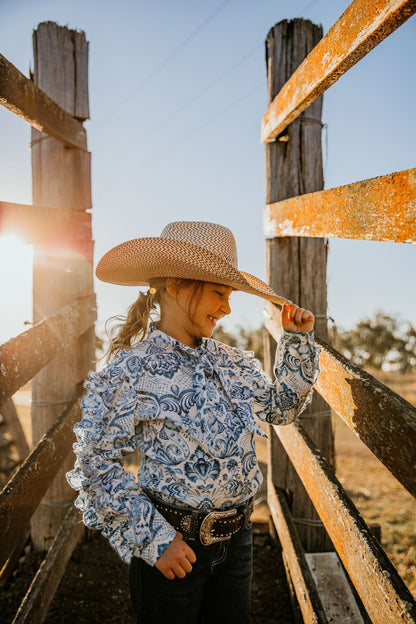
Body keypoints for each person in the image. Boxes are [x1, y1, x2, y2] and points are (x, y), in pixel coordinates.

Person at [67, 221, 320, 624]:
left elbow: (281, 409)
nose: (226, 308)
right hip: (172, 544)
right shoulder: (132, 370)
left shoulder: (232, 362)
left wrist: (296, 341)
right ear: (175, 285)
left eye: (229, 295)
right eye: (219, 293)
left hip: (238, 543)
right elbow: (95, 464)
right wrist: (153, 537)